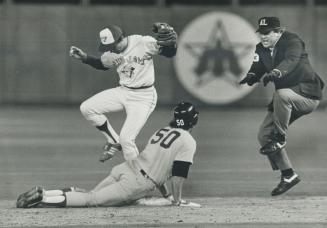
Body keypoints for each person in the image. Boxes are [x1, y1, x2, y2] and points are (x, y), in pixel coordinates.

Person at [16, 102, 199, 208]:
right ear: (193, 121)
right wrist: (176, 201)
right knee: (91, 200)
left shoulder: (164, 130)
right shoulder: (188, 142)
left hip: (126, 168)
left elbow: (157, 164)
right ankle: (43, 199)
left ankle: (47, 192)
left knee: (92, 194)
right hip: (137, 183)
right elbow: (177, 176)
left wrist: (166, 195)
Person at [239, 16, 324, 196]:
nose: (263, 36)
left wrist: (277, 71)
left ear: (278, 31)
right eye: (261, 33)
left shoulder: (292, 40)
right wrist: (252, 75)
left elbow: (291, 60)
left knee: (282, 95)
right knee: (264, 135)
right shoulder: (261, 48)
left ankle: (280, 137)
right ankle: (288, 175)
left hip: (307, 94)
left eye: (267, 32)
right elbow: (257, 66)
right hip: (285, 98)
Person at [69, 23, 178, 162]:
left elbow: (170, 53)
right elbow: (102, 65)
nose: (110, 50)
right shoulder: (112, 51)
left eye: (112, 46)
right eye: (107, 47)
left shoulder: (143, 42)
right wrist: (85, 58)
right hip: (123, 91)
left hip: (143, 97)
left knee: (127, 140)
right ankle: (114, 140)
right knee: (87, 108)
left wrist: (173, 46)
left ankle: (139, 178)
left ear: (121, 39)